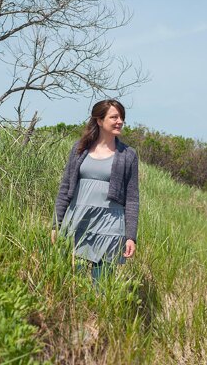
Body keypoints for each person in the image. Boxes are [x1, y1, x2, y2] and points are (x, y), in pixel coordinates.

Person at [51, 99, 139, 285]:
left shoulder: (128, 155)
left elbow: (132, 199)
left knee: (100, 288)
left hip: (110, 228)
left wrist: (131, 236)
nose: (120, 121)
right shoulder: (79, 148)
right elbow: (65, 188)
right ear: (99, 120)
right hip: (78, 224)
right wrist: (55, 225)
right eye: (114, 117)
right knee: (74, 284)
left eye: (122, 117)